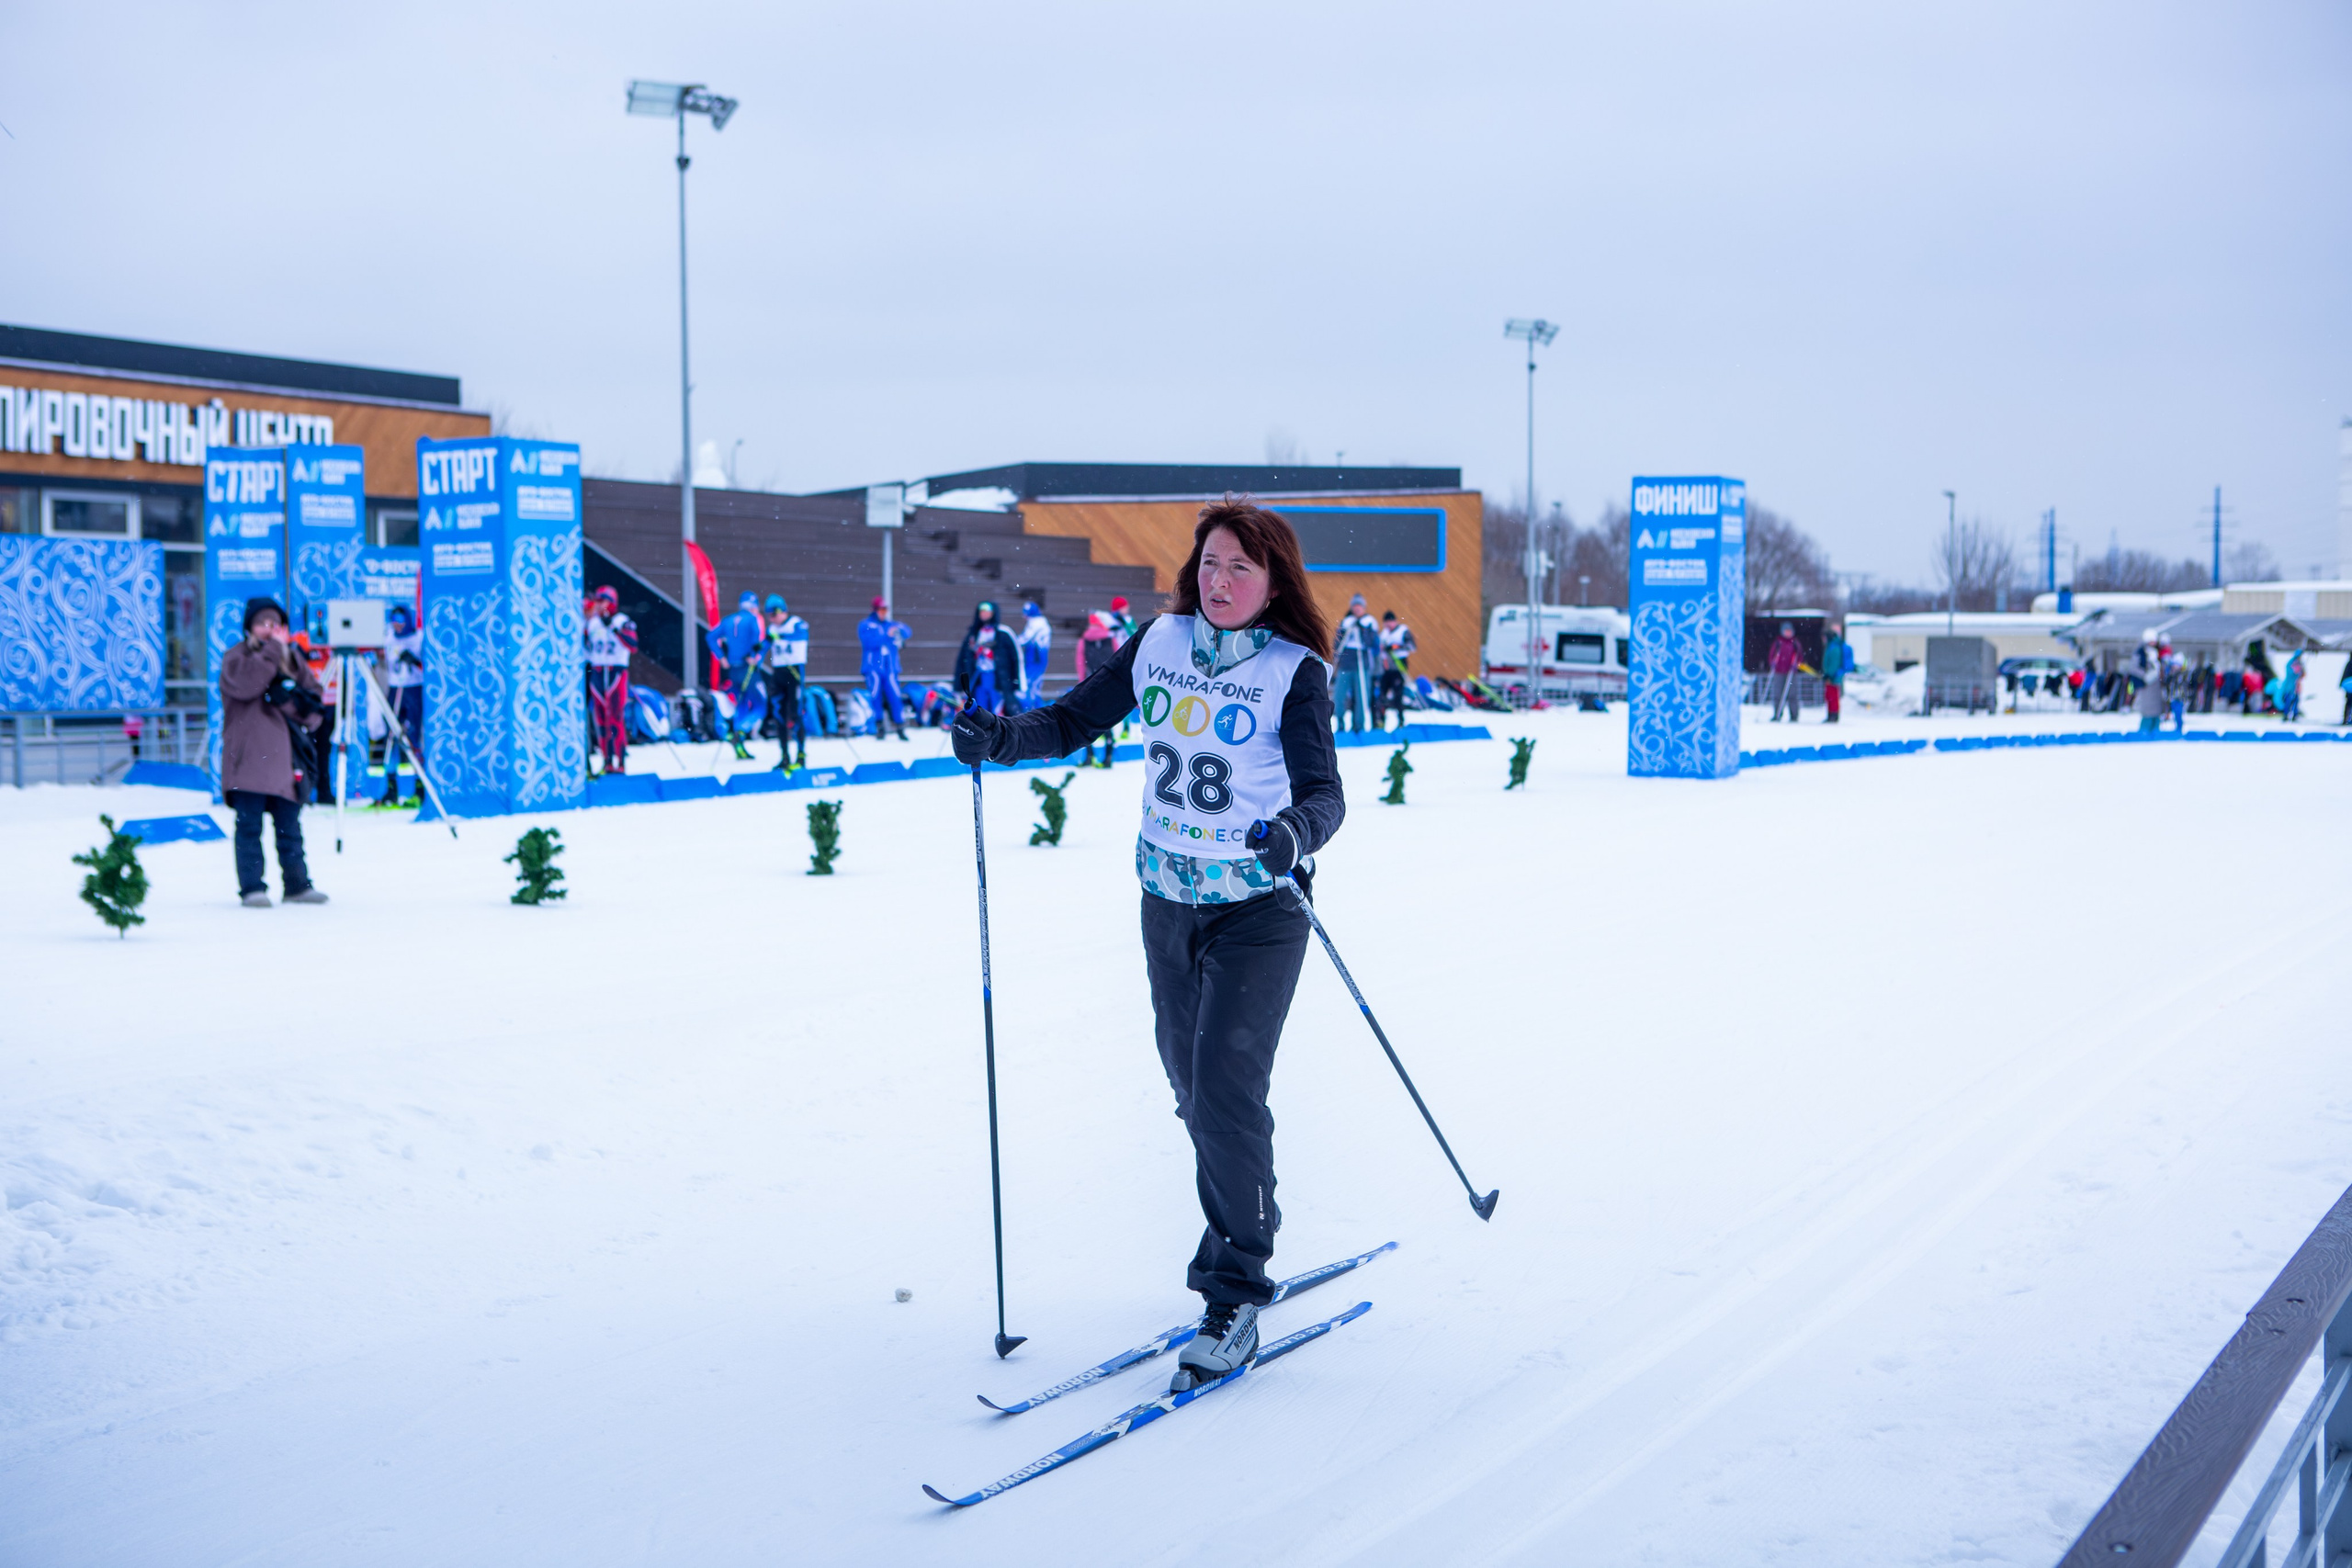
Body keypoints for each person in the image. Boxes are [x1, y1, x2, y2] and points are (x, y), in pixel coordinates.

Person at [948, 496, 1344, 1391]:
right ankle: (1246, 1217)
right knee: (1190, 1091)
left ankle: (1235, 1285)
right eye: (1209, 562)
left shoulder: (1293, 671)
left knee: (1225, 1099)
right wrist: (999, 737)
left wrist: (1292, 833)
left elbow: (1326, 795)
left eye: (1241, 566)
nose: (1220, 580)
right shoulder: (1159, 644)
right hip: (1165, 902)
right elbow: (1072, 721)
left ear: (1273, 579)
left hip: (1256, 913)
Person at [219, 597, 329, 908]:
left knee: (289, 827)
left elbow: (314, 705)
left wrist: (290, 701)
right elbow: (248, 685)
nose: (269, 630)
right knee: (249, 825)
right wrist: (273, 652)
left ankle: (297, 885)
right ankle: (252, 887)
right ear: (248, 628)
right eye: (262, 623)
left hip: (284, 760)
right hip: (248, 757)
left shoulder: (293, 660)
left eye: (275, 624)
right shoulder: (235, 658)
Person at [583, 585, 639, 774]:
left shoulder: (622, 621)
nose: (600, 606)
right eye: (598, 602)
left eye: (603, 601)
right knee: (600, 719)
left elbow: (633, 645)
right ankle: (607, 761)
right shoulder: (593, 623)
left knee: (615, 717)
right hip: (598, 671)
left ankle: (620, 760)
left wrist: (616, 630)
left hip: (616, 671)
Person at [706, 592, 765, 758]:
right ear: (754, 606)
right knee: (760, 705)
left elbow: (710, 637)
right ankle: (741, 730)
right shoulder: (753, 620)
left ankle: (738, 743)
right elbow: (756, 643)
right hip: (748, 669)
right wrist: (753, 656)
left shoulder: (729, 620)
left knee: (742, 705)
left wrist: (722, 657)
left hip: (733, 669)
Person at [378, 603, 424, 804]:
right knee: (391, 734)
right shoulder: (389, 636)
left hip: (413, 688)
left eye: (401, 621)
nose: (397, 625)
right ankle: (390, 789)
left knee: (414, 736)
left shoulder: (418, 637)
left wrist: (413, 660)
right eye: (394, 620)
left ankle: (420, 788)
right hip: (395, 688)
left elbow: (426, 666)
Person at [1074, 607, 1130, 766]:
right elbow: (1119, 658)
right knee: (1107, 721)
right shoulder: (1110, 638)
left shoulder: (1083, 640)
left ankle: (1089, 756)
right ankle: (1108, 757)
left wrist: (1081, 684)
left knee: (1086, 722)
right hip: (1108, 684)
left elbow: (1080, 665)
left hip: (1089, 685)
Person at [761, 593, 809, 770]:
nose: (771, 619)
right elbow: (765, 646)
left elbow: (800, 636)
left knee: (796, 714)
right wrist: (757, 654)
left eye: (773, 615)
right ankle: (785, 756)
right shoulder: (772, 629)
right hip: (779, 674)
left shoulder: (796, 623)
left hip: (794, 673)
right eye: (769, 616)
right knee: (779, 715)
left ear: (781, 612)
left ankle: (801, 755)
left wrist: (779, 638)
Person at [858, 596, 912, 740]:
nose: (883, 612)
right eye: (881, 609)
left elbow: (907, 631)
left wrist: (898, 631)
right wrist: (886, 636)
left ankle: (900, 726)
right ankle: (879, 727)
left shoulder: (891, 624)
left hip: (890, 668)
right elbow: (869, 642)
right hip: (873, 668)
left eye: (885, 609)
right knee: (875, 696)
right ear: (874, 610)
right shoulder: (866, 625)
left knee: (895, 696)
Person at [954, 600, 1021, 716]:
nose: (984, 614)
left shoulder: (1003, 633)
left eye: (987, 611)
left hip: (998, 679)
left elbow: (1015, 658)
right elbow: (964, 658)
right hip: (979, 677)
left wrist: (993, 655)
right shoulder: (974, 633)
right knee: (980, 708)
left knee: (998, 708)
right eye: (982, 612)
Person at [1331, 592, 1381, 732]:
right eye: (1355, 606)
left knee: (1361, 696)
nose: (1357, 609)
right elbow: (1337, 643)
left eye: (1359, 606)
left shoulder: (1369, 622)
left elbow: (1372, 643)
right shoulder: (1346, 622)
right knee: (1340, 695)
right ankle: (1340, 722)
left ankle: (1359, 725)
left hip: (1361, 664)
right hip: (1346, 663)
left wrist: (1363, 630)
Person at [1376, 611, 1416, 730]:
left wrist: (1396, 646)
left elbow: (1412, 646)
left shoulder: (1403, 631)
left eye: (1391, 622)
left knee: (1397, 696)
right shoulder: (1384, 634)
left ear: (1395, 621)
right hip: (1387, 669)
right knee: (1381, 696)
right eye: (1386, 622)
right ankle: (1381, 722)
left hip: (1399, 668)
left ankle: (1400, 721)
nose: (1389, 625)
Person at [1015, 600, 1052, 712]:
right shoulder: (1042, 622)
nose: (1024, 616)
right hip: (1039, 658)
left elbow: (1025, 638)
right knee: (1034, 686)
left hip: (1035, 658)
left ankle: (1031, 711)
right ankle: (1037, 710)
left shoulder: (1036, 623)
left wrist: (1012, 641)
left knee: (1029, 685)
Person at [1764, 622, 1803, 722]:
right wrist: (1772, 663)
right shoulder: (1778, 642)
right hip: (1779, 671)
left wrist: (1796, 665)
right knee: (1777, 694)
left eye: (1789, 631)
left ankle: (1794, 715)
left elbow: (1799, 657)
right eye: (1786, 631)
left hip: (1791, 672)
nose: (1788, 633)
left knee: (1792, 694)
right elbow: (1772, 655)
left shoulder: (1795, 643)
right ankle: (1777, 714)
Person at [2132, 628, 2166, 733]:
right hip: (2146, 685)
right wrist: (2145, 675)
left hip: (2156, 685)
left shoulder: (2158, 652)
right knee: (2148, 711)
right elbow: (2134, 668)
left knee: (2156, 710)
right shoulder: (2140, 653)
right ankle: (2144, 732)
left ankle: (2155, 730)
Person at [1820, 623, 1850, 724]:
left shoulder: (1834, 648)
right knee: (1829, 695)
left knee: (1833, 696)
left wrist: (1829, 674)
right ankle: (1830, 714)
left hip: (1834, 677)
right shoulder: (1831, 646)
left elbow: (1834, 663)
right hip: (1831, 676)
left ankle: (1834, 715)